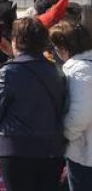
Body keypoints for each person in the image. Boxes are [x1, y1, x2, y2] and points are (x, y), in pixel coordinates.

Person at [0, 17, 66, 191]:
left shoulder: (10, 71)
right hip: (50, 150)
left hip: (16, 149)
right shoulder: (55, 70)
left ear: (16, 41)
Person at [50, 21, 92, 189]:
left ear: (63, 47)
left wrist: (64, 134)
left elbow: (81, 114)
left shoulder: (80, 70)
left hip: (85, 155)